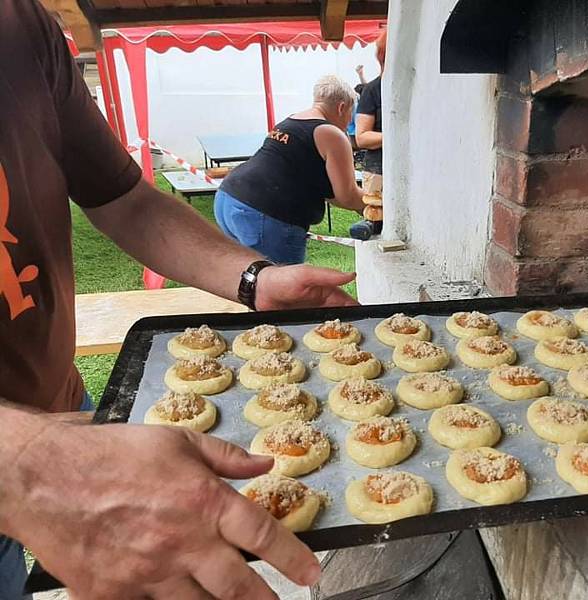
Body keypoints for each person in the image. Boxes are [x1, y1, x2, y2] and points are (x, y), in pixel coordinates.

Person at [0, 2, 357, 598]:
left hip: (61, 400)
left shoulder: (20, 25)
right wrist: (26, 468)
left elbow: (122, 198)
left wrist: (253, 278)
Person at [214, 76, 365, 264]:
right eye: (352, 111)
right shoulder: (332, 134)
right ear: (342, 107)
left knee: (247, 279)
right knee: (282, 287)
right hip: (265, 213)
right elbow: (347, 196)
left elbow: (325, 189)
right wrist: (377, 205)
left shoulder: (290, 121)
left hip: (228, 199)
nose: (351, 119)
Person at [352, 30, 386, 240]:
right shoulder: (373, 90)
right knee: (377, 219)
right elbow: (362, 137)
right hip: (379, 170)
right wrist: (393, 137)